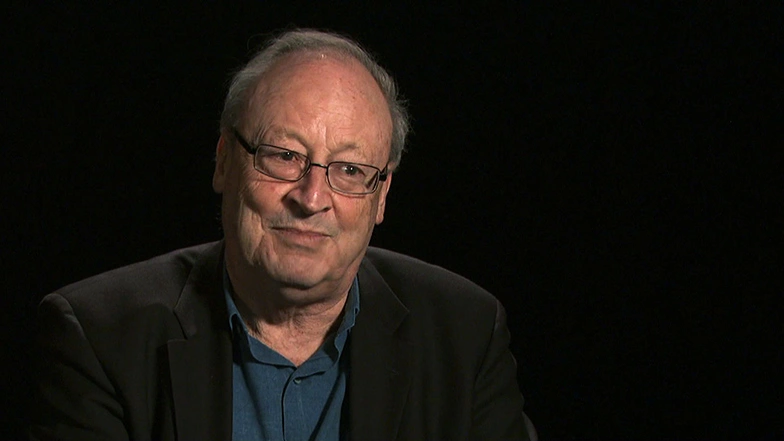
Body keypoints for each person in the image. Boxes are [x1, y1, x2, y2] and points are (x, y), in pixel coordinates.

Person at [29, 29, 536, 441]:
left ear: (382, 195)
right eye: (284, 156)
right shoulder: (99, 338)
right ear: (224, 162)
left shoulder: (465, 337)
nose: (312, 198)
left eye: (351, 170)